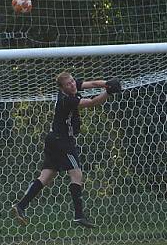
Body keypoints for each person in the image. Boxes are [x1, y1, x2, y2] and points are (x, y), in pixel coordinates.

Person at [13, 72, 121, 227]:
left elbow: (91, 84)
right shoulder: (68, 100)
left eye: (72, 81)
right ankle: (79, 215)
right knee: (76, 173)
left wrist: (106, 83)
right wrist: (108, 91)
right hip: (62, 141)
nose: (72, 85)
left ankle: (20, 205)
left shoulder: (70, 88)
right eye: (69, 84)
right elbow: (92, 102)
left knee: (46, 176)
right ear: (62, 88)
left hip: (53, 139)